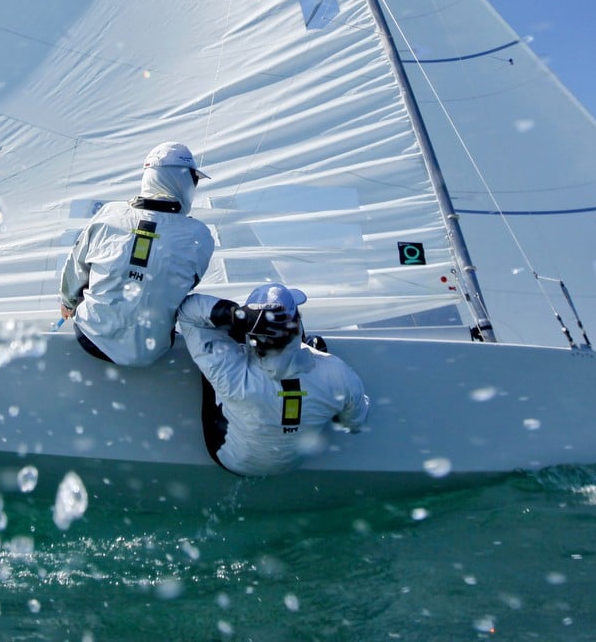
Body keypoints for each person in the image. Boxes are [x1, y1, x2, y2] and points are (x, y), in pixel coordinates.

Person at [177, 282, 370, 477]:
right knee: (318, 389)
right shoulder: (338, 373)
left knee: (213, 361)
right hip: (290, 464)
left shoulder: (230, 370)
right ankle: (307, 351)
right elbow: (355, 424)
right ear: (296, 327)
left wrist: (236, 315)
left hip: (233, 460)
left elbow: (187, 311)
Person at [59, 142, 216, 366]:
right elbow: (185, 284)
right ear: (182, 180)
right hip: (152, 351)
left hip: (91, 339)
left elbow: (77, 265)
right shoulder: (200, 236)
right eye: (194, 180)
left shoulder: (109, 214)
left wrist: (68, 302)